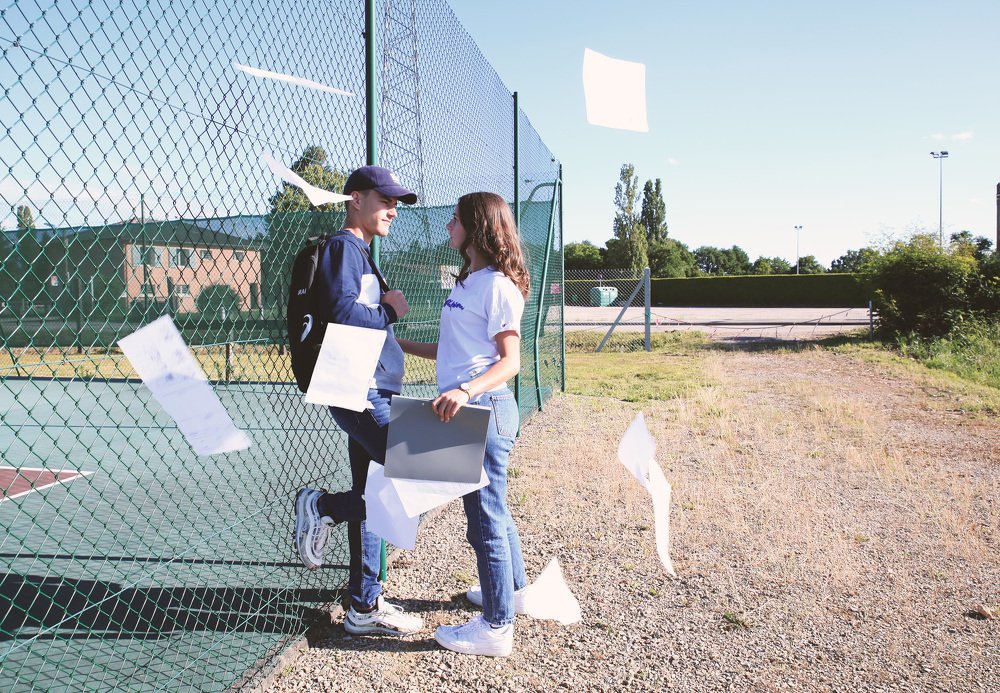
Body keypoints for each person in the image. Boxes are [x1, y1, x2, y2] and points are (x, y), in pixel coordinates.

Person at [397, 191, 530, 657]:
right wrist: (398, 344)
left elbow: (510, 361)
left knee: (484, 520)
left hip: (483, 410)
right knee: (494, 511)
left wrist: (465, 391)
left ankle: (496, 627)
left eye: (455, 219)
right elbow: (453, 351)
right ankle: (512, 594)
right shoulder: (468, 281)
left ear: (477, 227)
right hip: (465, 410)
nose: (449, 226)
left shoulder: (495, 285)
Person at [294, 165, 422, 637]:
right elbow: (343, 311)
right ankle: (323, 506)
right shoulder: (345, 247)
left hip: (370, 384)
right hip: (359, 387)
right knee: (415, 473)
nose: (392, 210)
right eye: (384, 200)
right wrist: (390, 309)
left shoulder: (359, 251)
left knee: (376, 490)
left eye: (395, 203)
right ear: (355, 200)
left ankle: (364, 606)